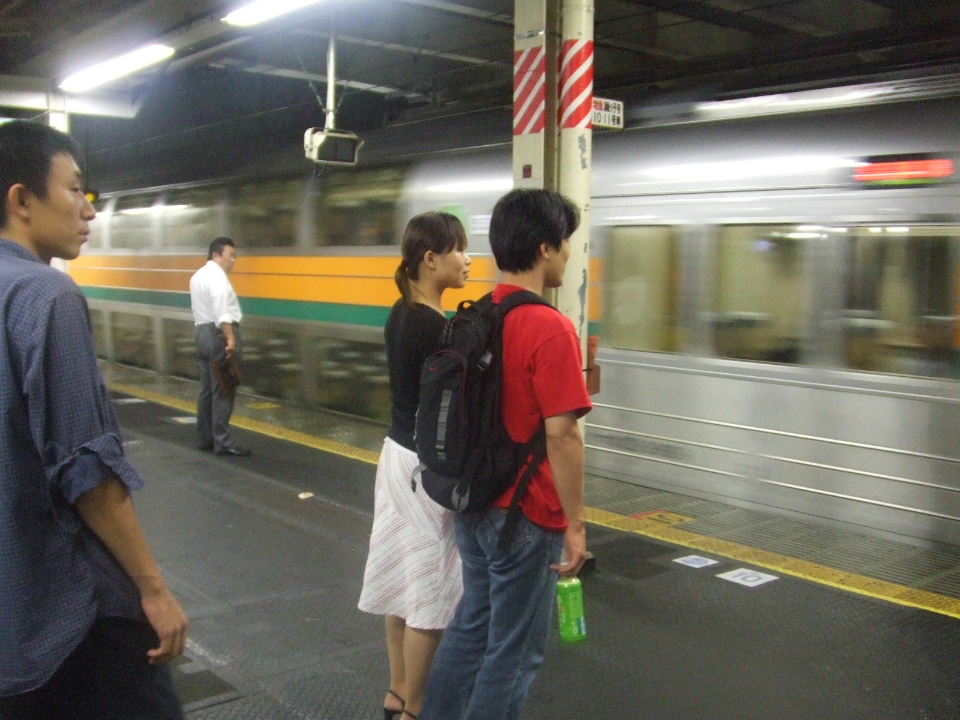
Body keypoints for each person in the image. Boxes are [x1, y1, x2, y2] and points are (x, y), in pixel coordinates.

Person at [0, 120, 188, 719]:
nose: (88, 209)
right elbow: (87, 472)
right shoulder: (48, 295)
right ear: (21, 200)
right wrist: (153, 589)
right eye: (75, 189)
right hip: (73, 613)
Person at [419, 189, 591, 720]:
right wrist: (576, 523)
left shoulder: (480, 313)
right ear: (544, 248)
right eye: (565, 243)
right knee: (514, 653)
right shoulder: (550, 327)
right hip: (527, 512)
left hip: (474, 501)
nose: (568, 255)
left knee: (472, 628)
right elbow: (562, 436)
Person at [358, 212, 471, 720]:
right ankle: (417, 710)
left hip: (395, 455)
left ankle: (398, 693)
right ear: (430, 259)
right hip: (425, 469)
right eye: (459, 250)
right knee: (430, 589)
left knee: (401, 579)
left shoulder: (400, 312)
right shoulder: (437, 327)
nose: (467, 260)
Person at [190, 236, 250, 456]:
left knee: (206, 389)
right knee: (224, 388)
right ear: (216, 255)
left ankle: (205, 439)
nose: (232, 260)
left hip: (202, 333)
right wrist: (230, 338)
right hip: (218, 336)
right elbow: (222, 312)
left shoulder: (197, 276)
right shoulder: (217, 277)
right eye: (230, 256)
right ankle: (223, 443)